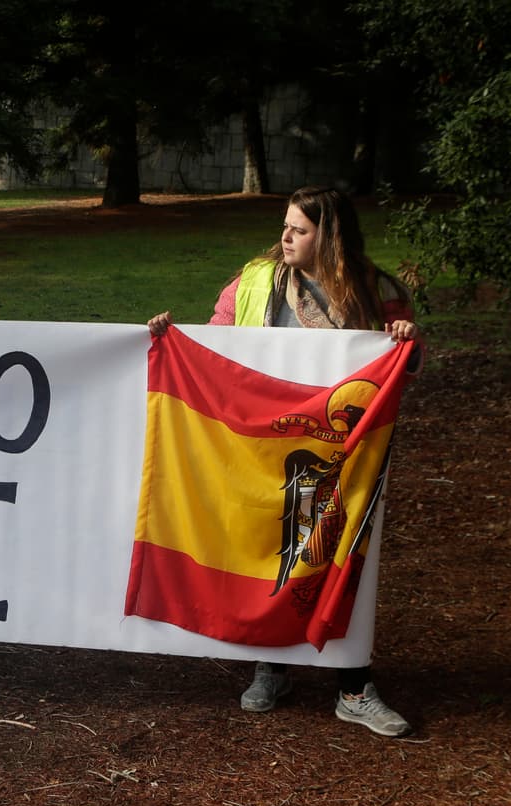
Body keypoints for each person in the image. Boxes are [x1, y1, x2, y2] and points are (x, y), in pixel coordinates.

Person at [147, 186, 422, 737]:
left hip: (350, 447)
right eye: (285, 226)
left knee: (345, 555)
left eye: (298, 229)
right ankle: (271, 665)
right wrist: (171, 338)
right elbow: (217, 344)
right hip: (269, 442)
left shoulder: (375, 290)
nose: (285, 237)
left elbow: (404, 369)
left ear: (330, 236)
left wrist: (405, 340)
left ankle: (352, 685)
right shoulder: (257, 281)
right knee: (275, 545)